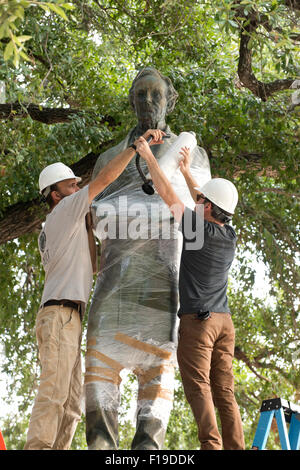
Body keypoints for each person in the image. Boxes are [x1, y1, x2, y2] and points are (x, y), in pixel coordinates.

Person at [84, 67, 211, 450]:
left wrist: (131, 209)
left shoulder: (193, 156)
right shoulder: (110, 157)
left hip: (161, 290)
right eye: (140, 96)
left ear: (170, 100)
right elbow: (92, 214)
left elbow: (199, 222)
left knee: (155, 401)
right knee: (98, 388)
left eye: (156, 95)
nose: (148, 103)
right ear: (131, 101)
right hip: (111, 290)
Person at [24, 129, 159, 450]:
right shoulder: (63, 211)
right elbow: (104, 181)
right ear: (56, 194)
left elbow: (94, 266)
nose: (78, 187)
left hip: (67, 318)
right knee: (53, 393)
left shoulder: (67, 222)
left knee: (71, 405)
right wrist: (133, 149)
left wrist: (92, 225)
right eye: (71, 185)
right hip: (60, 316)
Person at [136, 132, 245, 450]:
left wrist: (149, 157)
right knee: (225, 391)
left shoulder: (198, 228)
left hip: (200, 324)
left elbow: (166, 193)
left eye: (201, 201)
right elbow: (210, 202)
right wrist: (186, 171)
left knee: (199, 387)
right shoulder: (229, 233)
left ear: (208, 207)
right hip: (225, 322)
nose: (197, 202)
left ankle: (211, 447)